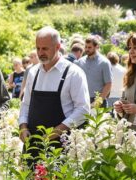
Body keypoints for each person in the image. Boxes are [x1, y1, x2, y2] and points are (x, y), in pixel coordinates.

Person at [18, 27, 90, 162]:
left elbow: (83, 110)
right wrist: (23, 126)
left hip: (61, 145)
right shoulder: (33, 72)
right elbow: (26, 103)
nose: (40, 53)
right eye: (38, 48)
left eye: (45, 49)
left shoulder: (73, 73)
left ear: (57, 47)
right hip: (33, 144)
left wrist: (56, 132)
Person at [75, 36, 112, 105]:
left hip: (99, 101)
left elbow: (108, 84)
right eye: (85, 47)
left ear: (96, 47)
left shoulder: (104, 62)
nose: (86, 49)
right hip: (82, 100)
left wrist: (98, 102)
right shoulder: (80, 61)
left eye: (89, 47)